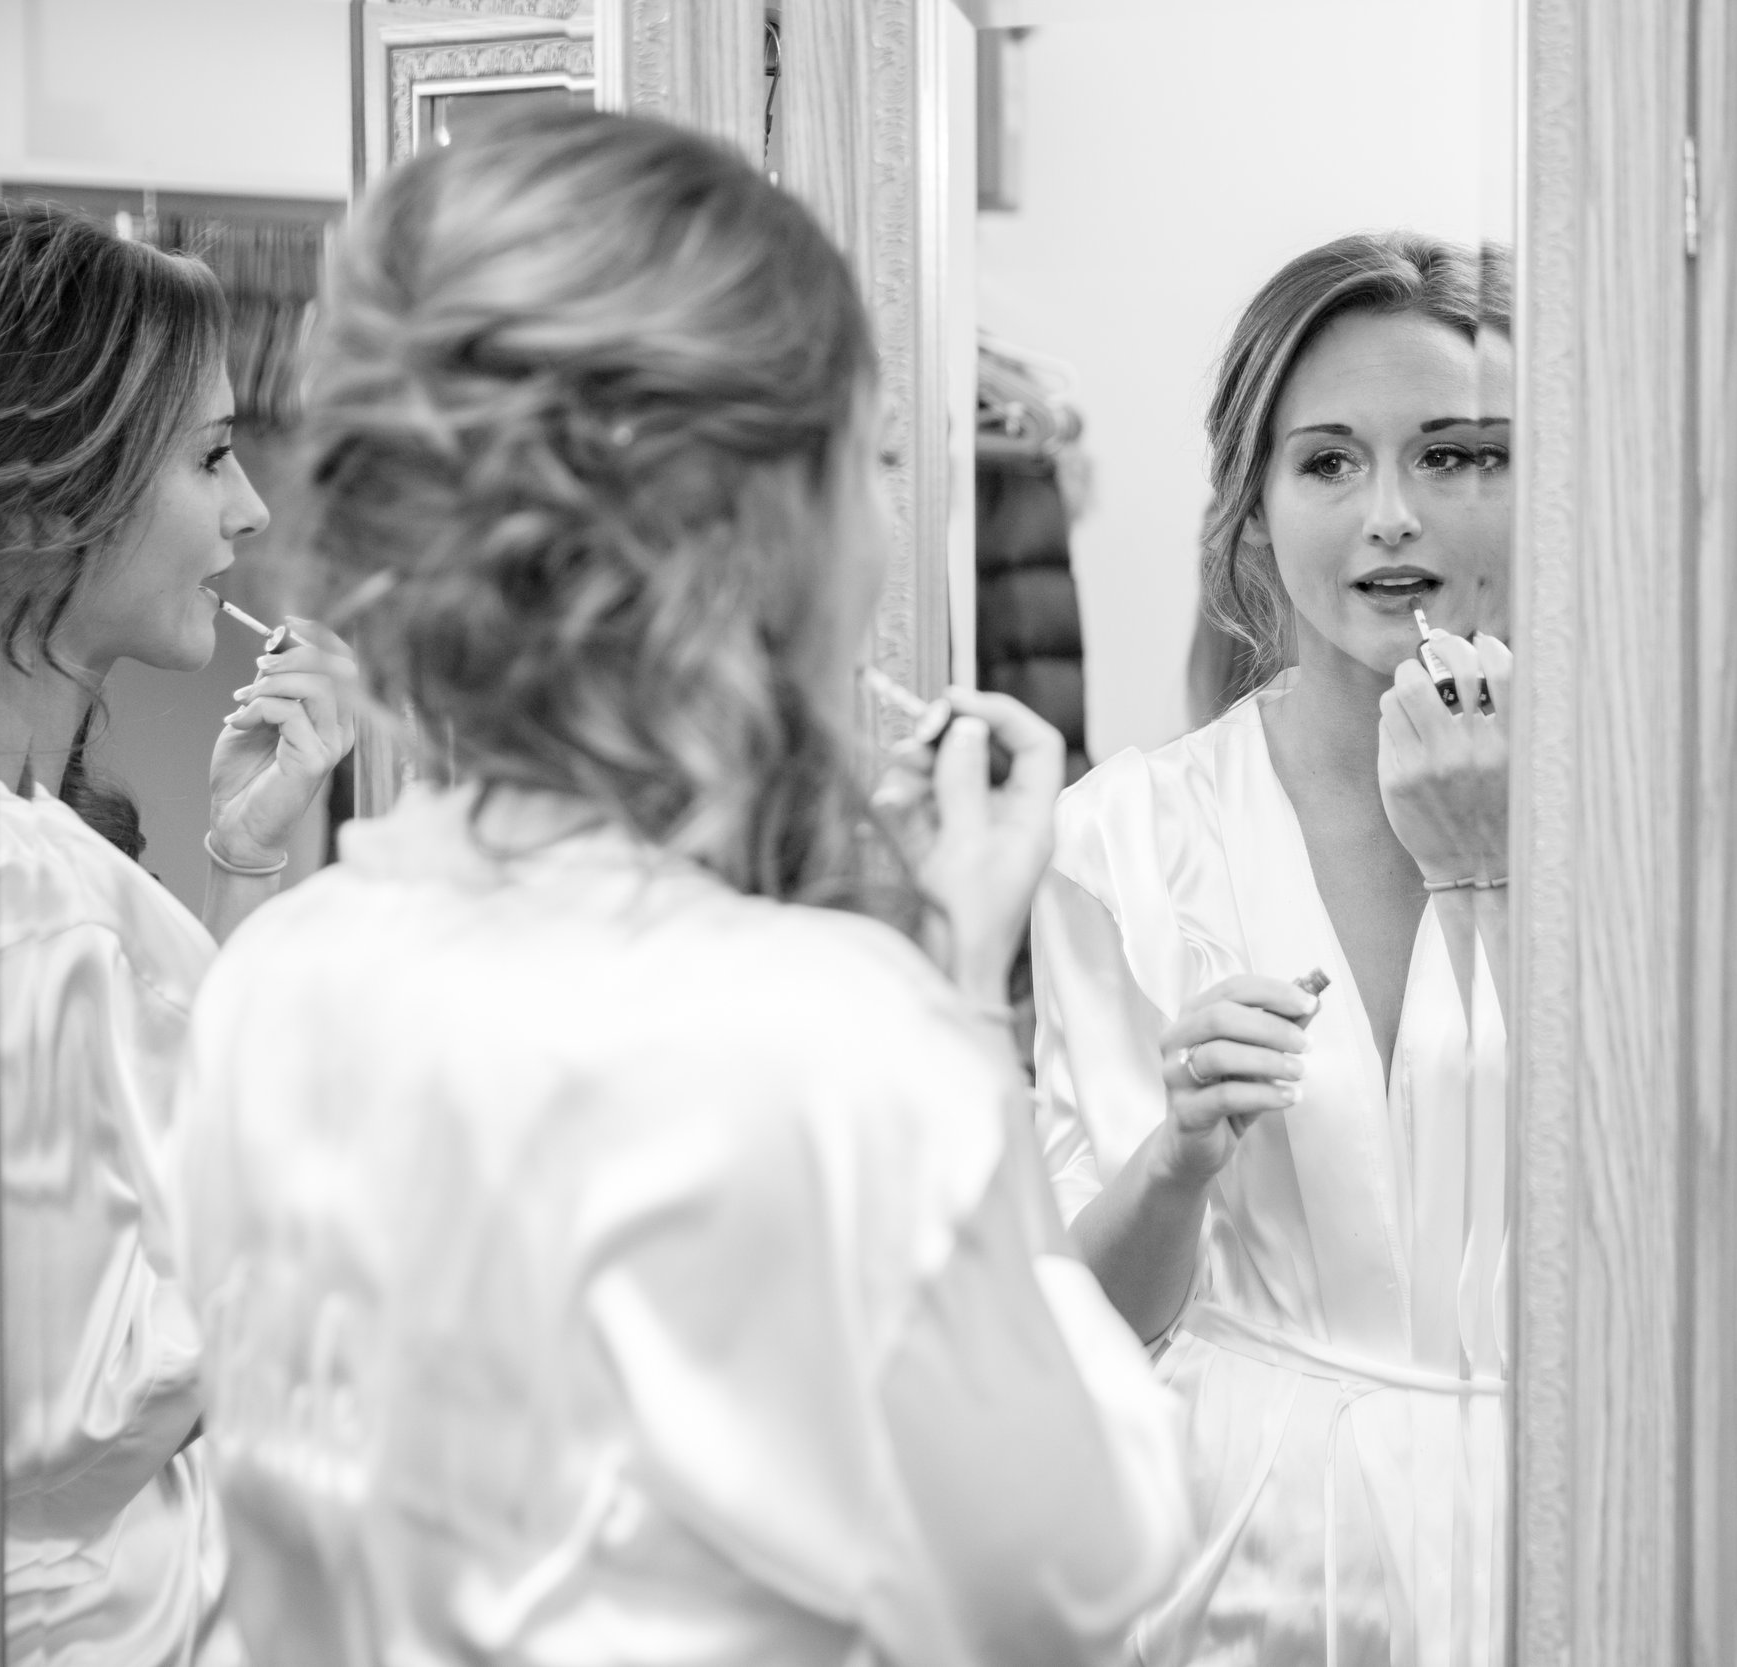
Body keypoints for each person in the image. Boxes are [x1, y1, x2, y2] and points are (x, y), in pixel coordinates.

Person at [168, 109, 1189, 1667]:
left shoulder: (275, 975)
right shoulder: (833, 1038)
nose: (892, 522)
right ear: (761, 529)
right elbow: (1083, 1581)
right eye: (879, 460)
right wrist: (962, 991)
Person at [1030, 232, 1513, 1667]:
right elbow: (1094, 1322)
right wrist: (1178, 1156)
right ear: (1255, 504)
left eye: (1454, 456)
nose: (1391, 519)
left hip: (1578, 1535)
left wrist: (1491, 873)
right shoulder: (1127, 836)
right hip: (1244, 1562)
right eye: (1328, 463)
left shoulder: (1652, 816)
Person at [0, 200, 358, 1662]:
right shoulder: (17, 901)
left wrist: (241, 861)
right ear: (45, 494)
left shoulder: (40, 856)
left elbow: (148, 1157)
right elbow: (69, 1404)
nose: (255, 509)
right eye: (210, 456)